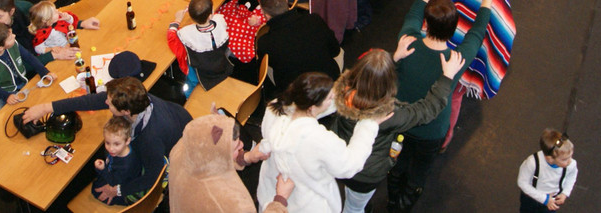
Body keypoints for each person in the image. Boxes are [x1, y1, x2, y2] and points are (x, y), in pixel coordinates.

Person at [386, 0, 499, 211]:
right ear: (454, 28)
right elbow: (477, 32)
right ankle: (406, 202)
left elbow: (413, 12)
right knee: (420, 170)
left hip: (400, 120)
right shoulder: (455, 61)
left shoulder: (406, 42)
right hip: (432, 130)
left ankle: (392, 197)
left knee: (396, 161)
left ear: (426, 24)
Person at [329, 45, 466, 213]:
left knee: (350, 198)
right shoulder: (387, 117)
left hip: (339, 159)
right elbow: (426, 110)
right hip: (365, 175)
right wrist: (447, 78)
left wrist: (393, 58)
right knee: (354, 208)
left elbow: (370, 76)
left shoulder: (341, 93)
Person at [23, 75, 192, 204]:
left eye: (110, 104)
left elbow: (153, 177)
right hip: (178, 120)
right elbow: (93, 100)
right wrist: (46, 107)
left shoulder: (149, 140)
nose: (105, 102)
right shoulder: (138, 100)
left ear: (126, 112)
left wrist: (117, 190)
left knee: (99, 190)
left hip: (175, 155)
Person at [255, 71, 381, 213]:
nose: (333, 99)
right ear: (313, 107)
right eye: (329, 98)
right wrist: (369, 124)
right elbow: (349, 165)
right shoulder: (319, 140)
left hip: (270, 194)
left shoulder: (276, 108)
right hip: (304, 204)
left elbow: (315, 107)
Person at [168, 113, 291, 213]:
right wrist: (280, 200)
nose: (242, 145)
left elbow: (210, 155)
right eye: (237, 146)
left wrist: (245, 157)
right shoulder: (233, 203)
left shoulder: (182, 147)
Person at [0, 21, 51, 120]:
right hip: (1, 90)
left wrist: (45, 72)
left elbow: (30, 58)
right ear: (0, 47)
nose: (14, 36)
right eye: (10, 37)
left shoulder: (14, 44)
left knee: (35, 100)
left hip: (20, 83)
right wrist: (6, 96)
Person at [167, 0, 232, 90]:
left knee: (191, 81)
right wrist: (200, 7)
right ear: (210, 15)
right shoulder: (219, 19)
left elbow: (171, 37)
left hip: (201, 70)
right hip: (220, 62)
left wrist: (177, 20)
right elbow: (212, 17)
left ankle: (188, 94)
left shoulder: (186, 33)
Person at [517, 130, 579, 212]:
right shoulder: (533, 163)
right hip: (531, 198)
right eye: (565, 159)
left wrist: (565, 193)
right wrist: (545, 199)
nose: (570, 161)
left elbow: (571, 177)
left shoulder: (571, 165)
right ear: (549, 158)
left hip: (552, 200)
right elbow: (522, 182)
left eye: (570, 156)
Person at [88, 116, 144, 205]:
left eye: (116, 144)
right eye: (107, 143)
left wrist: (102, 169)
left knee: (95, 190)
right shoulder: (119, 150)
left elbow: (114, 182)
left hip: (125, 187)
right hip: (117, 175)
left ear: (127, 141)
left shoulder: (126, 165)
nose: (111, 149)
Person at [27, 0, 99, 54]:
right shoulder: (41, 33)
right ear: (46, 20)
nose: (57, 11)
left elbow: (71, 24)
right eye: (54, 12)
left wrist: (68, 18)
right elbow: (38, 49)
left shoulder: (57, 20)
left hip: (70, 43)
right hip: (61, 53)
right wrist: (51, 49)